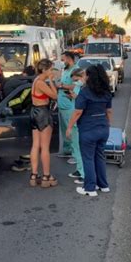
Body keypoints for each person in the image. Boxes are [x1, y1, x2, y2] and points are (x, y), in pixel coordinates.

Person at [66, 65, 112, 197]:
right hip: (103, 128)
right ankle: (103, 185)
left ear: (90, 77)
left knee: (88, 158)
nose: (84, 77)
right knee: (100, 157)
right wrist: (107, 124)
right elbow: (109, 111)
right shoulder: (106, 92)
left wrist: (69, 127)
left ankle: (90, 188)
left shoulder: (85, 92)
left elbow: (78, 112)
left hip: (88, 129)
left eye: (85, 75)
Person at [29, 59, 58, 188]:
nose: (52, 71)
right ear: (45, 70)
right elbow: (54, 95)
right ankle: (46, 176)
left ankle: (34, 175)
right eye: (51, 69)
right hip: (43, 113)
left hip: (34, 112)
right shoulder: (41, 83)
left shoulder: (36, 80)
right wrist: (51, 81)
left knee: (36, 145)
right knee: (45, 147)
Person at [56, 52, 79, 163]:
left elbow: (76, 85)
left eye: (63, 59)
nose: (62, 62)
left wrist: (62, 86)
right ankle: (67, 150)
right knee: (64, 129)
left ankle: (76, 155)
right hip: (62, 103)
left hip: (69, 104)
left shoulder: (76, 70)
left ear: (69, 59)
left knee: (72, 130)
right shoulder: (65, 70)